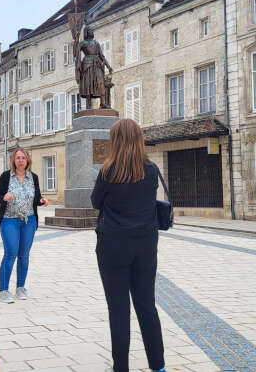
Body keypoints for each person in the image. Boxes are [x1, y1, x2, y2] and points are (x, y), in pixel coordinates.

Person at [91, 118, 166, 372]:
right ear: (138, 139)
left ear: (115, 141)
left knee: (119, 309)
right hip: (145, 244)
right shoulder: (151, 170)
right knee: (147, 306)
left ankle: (120, 368)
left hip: (113, 245)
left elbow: (94, 201)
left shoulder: (108, 171)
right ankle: (158, 367)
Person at [0, 147, 48, 303]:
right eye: (18, 158)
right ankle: (3, 290)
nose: (20, 161)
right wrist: (4, 196)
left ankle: (20, 288)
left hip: (29, 220)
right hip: (9, 219)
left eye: (23, 158)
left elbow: (36, 197)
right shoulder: (6, 176)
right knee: (11, 253)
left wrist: (42, 201)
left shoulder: (34, 177)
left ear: (27, 160)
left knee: (24, 255)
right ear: (13, 160)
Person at [76, 26, 113, 109]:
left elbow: (102, 56)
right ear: (87, 32)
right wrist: (76, 41)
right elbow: (76, 52)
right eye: (90, 30)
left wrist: (108, 66)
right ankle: (88, 105)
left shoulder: (96, 43)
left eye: (92, 30)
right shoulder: (83, 43)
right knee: (88, 84)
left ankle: (103, 103)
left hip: (97, 64)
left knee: (101, 83)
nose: (92, 32)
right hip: (87, 64)